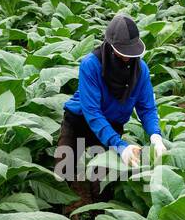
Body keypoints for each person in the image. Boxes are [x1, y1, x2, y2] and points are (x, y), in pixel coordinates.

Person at [56, 13, 166, 197]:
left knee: (102, 182)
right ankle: (57, 214)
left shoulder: (141, 70)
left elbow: (147, 108)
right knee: (63, 169)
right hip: (80, 121)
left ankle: (97, 215)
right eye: (124, 51)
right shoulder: (91, 65)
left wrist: (155, 135)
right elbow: (92, 112)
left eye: (131, 51)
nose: (128, 57)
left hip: (112, 124)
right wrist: (119, 145)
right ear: (110, 45)